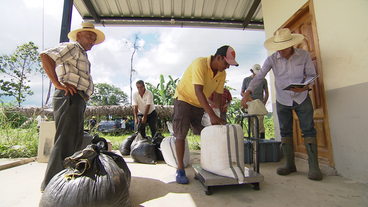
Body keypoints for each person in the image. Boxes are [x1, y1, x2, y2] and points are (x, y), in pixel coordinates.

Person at [241, 28, 322, 181]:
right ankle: (290, 164)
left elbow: (311, 75)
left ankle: (314, 167)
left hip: (302, 97)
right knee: (285, 132)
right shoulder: (272, 59)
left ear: (291, 45)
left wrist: (306, 86)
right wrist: (247, 93)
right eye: (278, 49)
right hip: (282, 100)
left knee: (309, 130)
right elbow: (259, 77)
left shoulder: (303, 55)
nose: (280, 52)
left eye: (283, 49)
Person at [39, 22, 105, 191]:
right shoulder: (73, 47)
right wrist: (58, 84)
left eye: (94, 38)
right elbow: (45, 56)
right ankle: (51, 186)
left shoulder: (81, 53)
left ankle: (63, 180)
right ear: (78, 36)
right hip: (69, 97)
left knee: (74, 141)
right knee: (65, 140)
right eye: (89, 36)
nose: (92, 40)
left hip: (77, 99)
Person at [173, 45, 239, 184]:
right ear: (219, 57)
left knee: (206, 132)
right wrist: (211, 114)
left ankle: (210, 163)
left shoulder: (222, 73)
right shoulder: (200, 64)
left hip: (199, 104)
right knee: (181, 133)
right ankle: (180, 169)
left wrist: (218, 115)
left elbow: (219, 96)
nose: (227, 67)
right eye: (226, 63)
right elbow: (198, 91)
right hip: (184, 99)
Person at [241, 64, 269, 138]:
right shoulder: (246, 80)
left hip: (259, 104)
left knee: (260, 124)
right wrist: (247, 97)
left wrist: (263, 104)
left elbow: (267, 93)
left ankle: (262, 141)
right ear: (252, 71)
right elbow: (242, 92)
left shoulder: (263, 80)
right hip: (249, 104)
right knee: (251, 124)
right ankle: (253, 142)